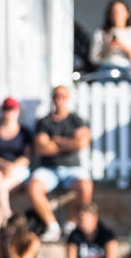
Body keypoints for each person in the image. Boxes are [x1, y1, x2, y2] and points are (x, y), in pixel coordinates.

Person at [29, 84, 93, 233]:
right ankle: (52, 226)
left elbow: (82, 143)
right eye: (56, 96)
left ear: (68, 98)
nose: (59, 99)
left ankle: (71, 224)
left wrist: (56, 140)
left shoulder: (76, 120)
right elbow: (41, 148)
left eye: (63, 96)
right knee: (33, 187)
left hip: (72, 168)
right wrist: (70, 142)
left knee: (85, 187)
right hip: (48, 169)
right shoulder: (44, 122)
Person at [0, 97, 38, 232]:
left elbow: (27, 157)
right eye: (6, 109)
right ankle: (8, 214)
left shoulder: (24, 132)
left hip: (18, 170)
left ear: (17, 111)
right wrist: (3, 164)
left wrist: (12, 166)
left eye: (11, 109)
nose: (9, 113)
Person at [88, 0, 131, 79]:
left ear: (127, 13)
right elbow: (94, 59)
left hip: (127, 70)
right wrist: (108, 48)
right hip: (105, 71)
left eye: (120, 12)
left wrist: (123, 46)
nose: (117, 15)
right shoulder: (101, 32)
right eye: (114, 12)